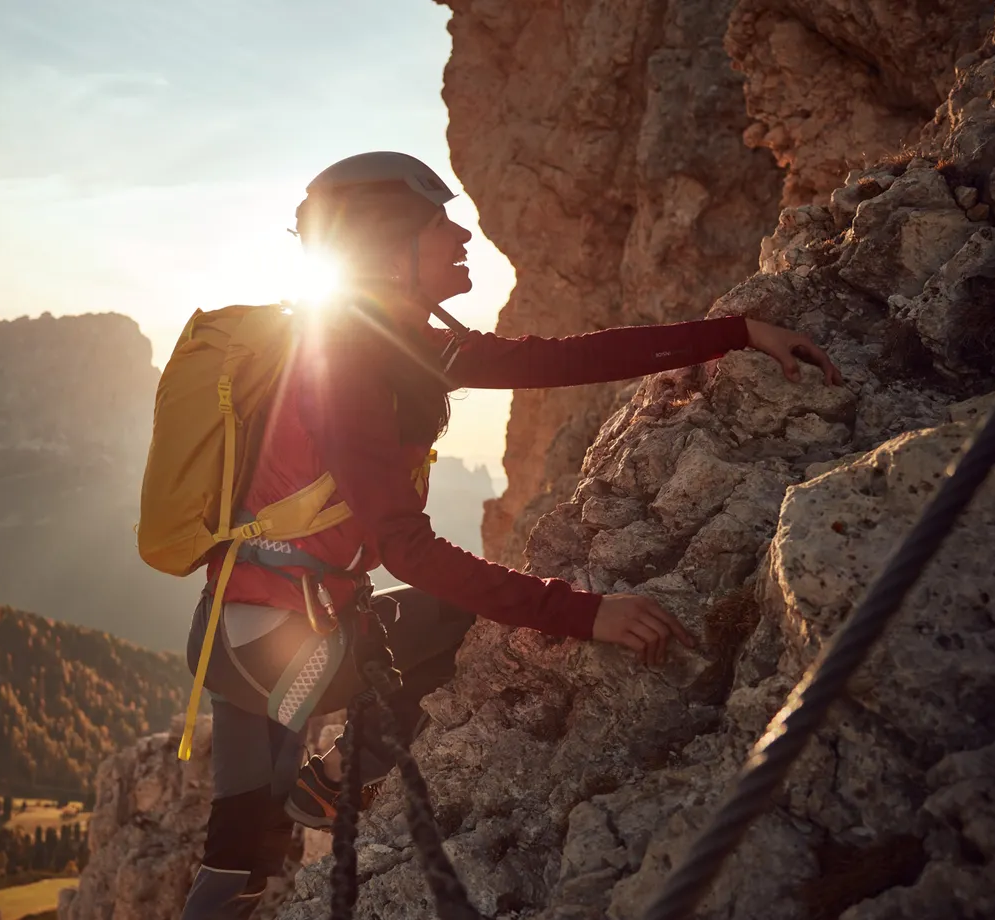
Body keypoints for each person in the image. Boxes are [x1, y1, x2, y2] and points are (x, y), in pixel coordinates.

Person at [179, 152, 842, 919]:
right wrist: (585, 614)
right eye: (438, 225)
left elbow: (568, 359)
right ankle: (326, 783)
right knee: (245, 860)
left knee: (238, 861)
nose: (462, 233)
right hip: (275, 642)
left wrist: (735, 332)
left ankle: (324, 783)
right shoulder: (347, 368)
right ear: (390, 251)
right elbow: (410, 551)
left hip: (257, 624)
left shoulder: (403, 347)